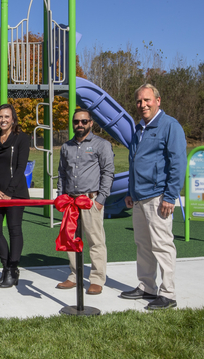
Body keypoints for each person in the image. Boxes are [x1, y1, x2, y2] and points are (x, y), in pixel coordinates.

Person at [120, 84, 187, 310]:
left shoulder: (170, 126)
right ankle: (147, 286)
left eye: (147, 100)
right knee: (143, 245)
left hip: (159, 197)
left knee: (162, 245)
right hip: (139, 197)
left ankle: (168, 293)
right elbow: (133, 162)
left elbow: (178, 163)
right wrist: (130, 191)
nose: (143, 105)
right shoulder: (139, 128)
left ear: (158, 100)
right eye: (139, 101)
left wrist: (170, 196)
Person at [56, 109, 114, 295]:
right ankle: (74, 275)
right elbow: (62, 173)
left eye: (83, 121)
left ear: (91, 123)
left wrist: (101, 199)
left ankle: (97, 278)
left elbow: (108, 172)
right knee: (71, 239)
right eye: (76, 122)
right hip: (71, 202)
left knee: (95, 241)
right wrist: (61, 196)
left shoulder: (101, 145)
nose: (79, 125)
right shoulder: (66, 147)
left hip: (90, 201)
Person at [0, 104, 31, 289]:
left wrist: (10, 193)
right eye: (0, 117)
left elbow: (21, 168)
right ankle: (6, 267)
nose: (3, 120)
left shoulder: (22, 138)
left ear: (13, 119)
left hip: (16, 193)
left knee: (14, 230)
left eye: (6, 116)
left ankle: (13, 269)